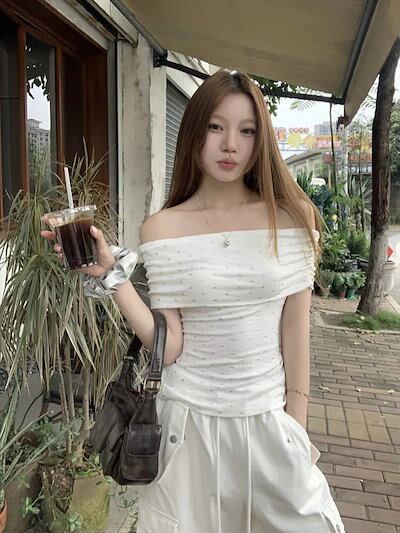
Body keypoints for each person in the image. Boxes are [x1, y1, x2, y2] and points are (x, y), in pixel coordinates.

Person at [41, 70, 346, 533]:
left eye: (247, 131)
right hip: (187, 429)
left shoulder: (291, 218)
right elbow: (170, 346)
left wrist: (297, 425)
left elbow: (294, 328)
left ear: (261, 140)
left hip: (268, 423)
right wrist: (113, 278)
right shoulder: (163, 228)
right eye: (215, 127)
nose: (230, 145)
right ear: (194, 133)